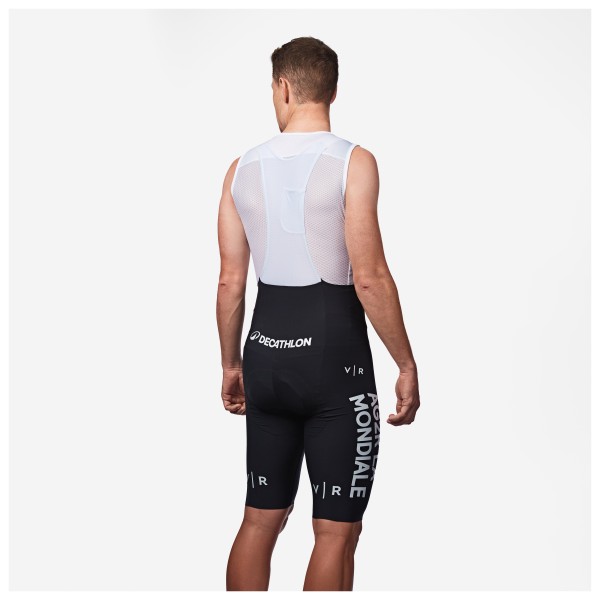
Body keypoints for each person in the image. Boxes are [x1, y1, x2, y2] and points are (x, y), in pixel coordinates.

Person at [216, 36, 420, 592]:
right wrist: (405, 363)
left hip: (265, 358)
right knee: (335, 532)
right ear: (333, 90)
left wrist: (231, 366)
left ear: (282, 87)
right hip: (335, 361)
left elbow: (231, 281)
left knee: (260, 519)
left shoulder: (240, 168)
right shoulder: (353, 162)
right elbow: (369, 276)